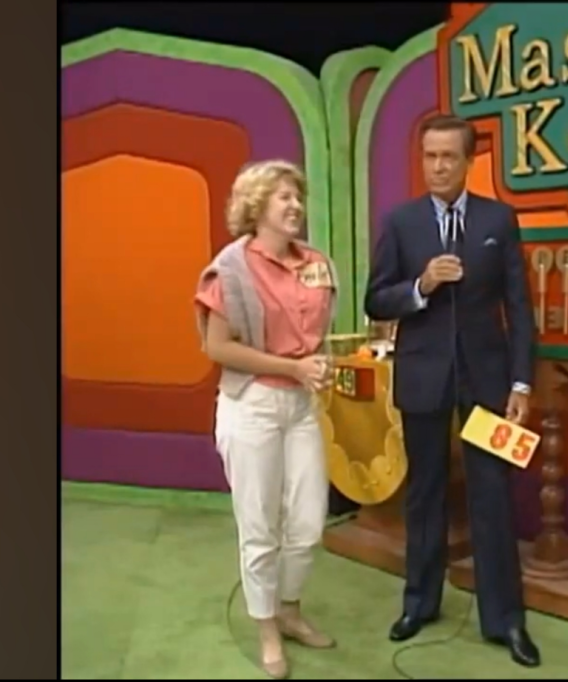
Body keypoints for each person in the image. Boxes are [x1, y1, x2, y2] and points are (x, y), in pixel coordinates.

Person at [364, 114, 540, 667]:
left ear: (468, 161)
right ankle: (419, 603)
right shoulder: (401, 223)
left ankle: (506, 621)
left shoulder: (499, 220)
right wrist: (422, 286)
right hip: (422, 377)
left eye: (448, 157)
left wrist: (520, 380)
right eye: (430, 157)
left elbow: (519, 308)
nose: (438, 167)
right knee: (425, 493)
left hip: (487, 381)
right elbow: (376, 300)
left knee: (493, 494)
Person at [194, 160, 340, 679]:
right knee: (260, 527)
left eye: (298, 197)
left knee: (306, 522)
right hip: (250, 404)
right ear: (257, 207)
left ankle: (290, 608)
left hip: (299, 406)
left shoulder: (316, 263)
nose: (295, 205)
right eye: (283, 197)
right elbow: (218, 347)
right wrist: (292, 366)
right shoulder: (230, 269)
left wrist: (316, 363)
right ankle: (266, 629)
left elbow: (318, 333)